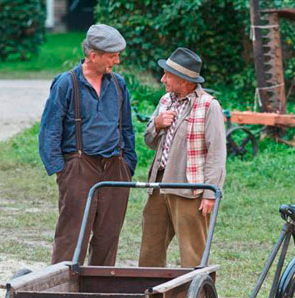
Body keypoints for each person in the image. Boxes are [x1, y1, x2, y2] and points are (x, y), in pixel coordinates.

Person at [39, 24, 137, 265]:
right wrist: (61, 169)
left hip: (115, 166)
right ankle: (61, 292)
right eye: (113, 56)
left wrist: (128, 164)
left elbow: (126, 127)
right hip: (79, 166)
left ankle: (98, 292)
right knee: (72, 235)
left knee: (108, 234)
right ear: (94, 56)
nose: (117, 61)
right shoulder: (67, 83)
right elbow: (50, 128)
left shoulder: (118, 84)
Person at [139, 47, 226, 268]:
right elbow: (149, 141)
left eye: (167, 75)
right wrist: (157, 125)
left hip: (189, 189)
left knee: (192, 254)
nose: (162, 79)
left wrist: (209, 193)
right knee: (150, 250)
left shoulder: (208, 106)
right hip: (159, 185)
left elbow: (217, 153)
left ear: (183, 79)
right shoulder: (165, 100)